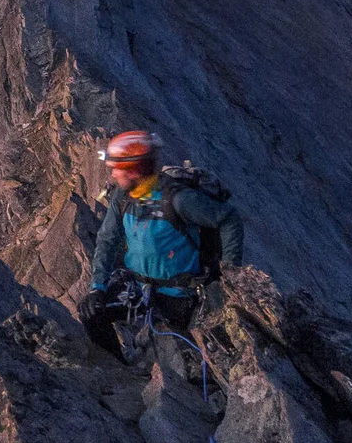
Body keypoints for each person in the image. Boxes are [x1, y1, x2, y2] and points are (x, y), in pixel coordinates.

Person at [77, 130, 244, 359]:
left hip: (180, 294)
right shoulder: (123, 197)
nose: (114, 175)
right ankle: (121, 372)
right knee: (91, 312)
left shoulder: (179, 199)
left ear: (135, 170)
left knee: (188, 355)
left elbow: (228, 219)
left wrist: (228, 272)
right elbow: (108, 240)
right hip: (139, 288)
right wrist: (98, 287)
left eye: (118, 169)